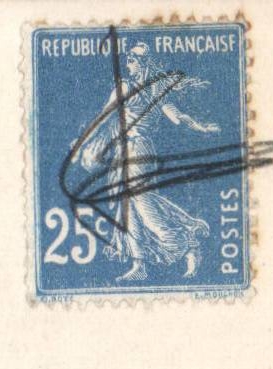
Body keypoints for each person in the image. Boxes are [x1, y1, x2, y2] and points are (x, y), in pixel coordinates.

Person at [78, 42, 219, 281]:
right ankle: (140, 264)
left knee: (142, 201)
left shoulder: (126, 88)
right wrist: (200, 126)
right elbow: (177, 117)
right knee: (129, 207)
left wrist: (83, 142)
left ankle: (185, 240)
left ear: (142, 63)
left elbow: (103, 118)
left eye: (132, 60)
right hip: (136, 150)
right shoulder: (156, 90)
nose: (128, 65)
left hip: (136, 149)